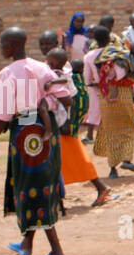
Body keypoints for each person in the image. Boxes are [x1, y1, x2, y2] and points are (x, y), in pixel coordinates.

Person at [0, 27, 66, 255]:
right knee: (39, 184)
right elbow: (64, 94)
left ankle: (57, 250)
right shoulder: (42, 67)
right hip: (46, 130)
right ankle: (27, 244)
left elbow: (2, 115)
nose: (1, 49)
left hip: (25, 133)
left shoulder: (7, 73)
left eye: (3, 44)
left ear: (12, 45)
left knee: (30, 186)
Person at [46, 47, 111, 207]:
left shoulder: (62, 75)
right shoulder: (62, 73)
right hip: (59, 122)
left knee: (73, 157)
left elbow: (69, 99)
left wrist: (68, 121)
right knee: (63, 159)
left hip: (62, 124)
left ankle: (101, 187)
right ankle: (57, 198)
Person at [90, 25, 134, 179]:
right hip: (123, 93)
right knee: (127, 125)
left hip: (104, 95)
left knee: (110, 129)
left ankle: (113, 169)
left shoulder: (89, 57)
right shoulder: (120, 53)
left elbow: (88, 80)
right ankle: (126, 159)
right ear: (109, 38)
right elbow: (132, 71)